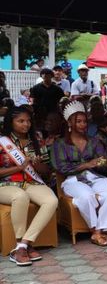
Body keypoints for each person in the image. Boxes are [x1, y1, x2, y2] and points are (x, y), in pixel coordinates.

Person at [51, 102, 107, 246]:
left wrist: (101, 162)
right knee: (86, 196)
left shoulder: (94, 141)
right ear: (70, 122)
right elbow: (60, 167)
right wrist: (86, 164)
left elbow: (102, 160)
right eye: (78, 121)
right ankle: (95, 231)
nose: (83, 125)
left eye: (84, 121)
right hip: (72, 180)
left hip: (93, 176)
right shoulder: (60, 144)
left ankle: (98, 232)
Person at [0, 107, 58, 266]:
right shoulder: (3, 142)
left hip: (32, 182)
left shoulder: (37, 139)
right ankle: (21, 245)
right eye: (21, 121)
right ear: (11, 123)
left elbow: (47, 170)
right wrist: (18, 168)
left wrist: (38, 166)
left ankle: (23, 245)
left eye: (28, 121)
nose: (26, 124)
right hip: (6, 184)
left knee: (51, 200)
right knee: (20, 196)